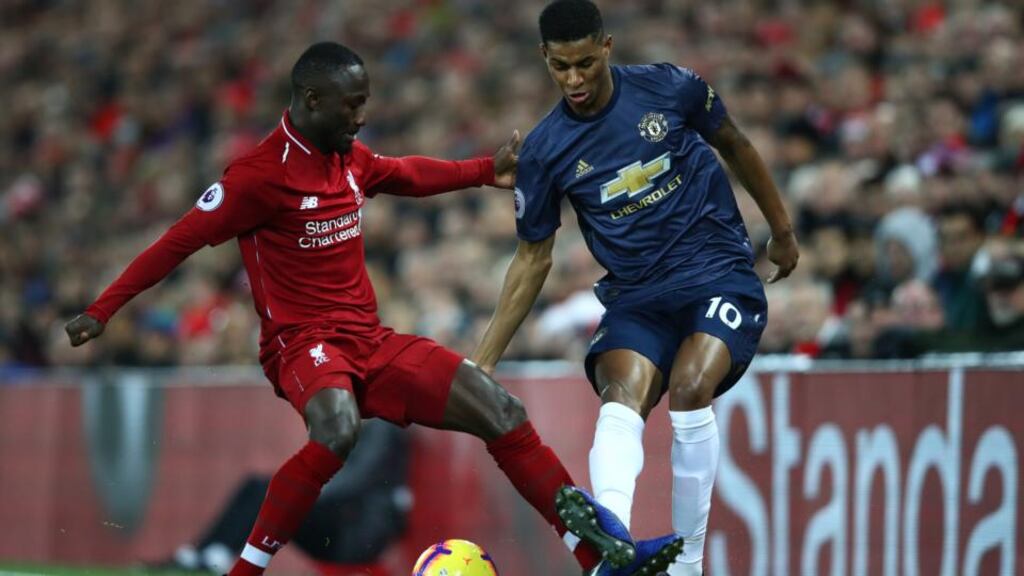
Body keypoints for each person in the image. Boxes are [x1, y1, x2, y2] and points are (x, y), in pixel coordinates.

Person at [65, 41, 629, 576]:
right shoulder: (257, 177)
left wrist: (485, 170)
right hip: (300, 342)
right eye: (352, 105)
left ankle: (595, 559)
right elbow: (178, 241)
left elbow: (404, 173)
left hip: (370, 342)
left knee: (500, 410)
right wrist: (103, 309)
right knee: (336, 428)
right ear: (313, 101)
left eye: (364, 103)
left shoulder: (347, 158)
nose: (361, 117)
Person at [471, 2, 800, 575]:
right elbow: (532, 258)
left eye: (583, 64)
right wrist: (482, 363)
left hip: (716, 273)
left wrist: (783, 231)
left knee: (692, 386)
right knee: (621, 392)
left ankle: (686, 565)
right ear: (544, 60)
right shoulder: (546, 151)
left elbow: (738, 144)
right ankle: (613, 547)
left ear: (606, 47)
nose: (573, 80)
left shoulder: (670, 89)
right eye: (559, 67)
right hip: (636, 296)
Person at [160, 420, 411, 575]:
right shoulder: (361, 424)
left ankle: (218, 554)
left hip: (353, 534)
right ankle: (205, 551)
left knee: (268, 492)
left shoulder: (383, 428)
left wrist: (304, 492)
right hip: (341, 521)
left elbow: (356, 480)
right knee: (257, 485)